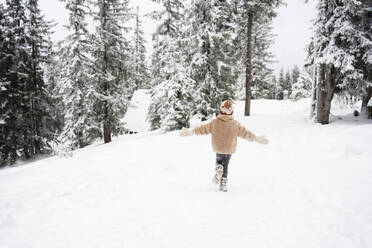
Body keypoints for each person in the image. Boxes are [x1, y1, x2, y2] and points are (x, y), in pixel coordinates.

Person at [179, 100, 269, 192]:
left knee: (219, 161)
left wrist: (191, 131)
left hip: (218, 147)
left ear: (221, 110)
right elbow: (245, 133)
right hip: (229, 149)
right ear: (232, 112)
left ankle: (218, 167)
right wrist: (256, 138)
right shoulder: (235, 125)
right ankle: (223, 184)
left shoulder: (214, 123)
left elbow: (203, 129)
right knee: (225, 165)